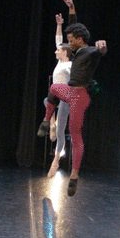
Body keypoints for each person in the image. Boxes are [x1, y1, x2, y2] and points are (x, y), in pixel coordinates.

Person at [37, 23, 107, 196]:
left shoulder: (89, 51)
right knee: (54, 88)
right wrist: (69, 12)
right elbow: (62, 39)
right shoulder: (76, 52)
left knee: (75, 134)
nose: (68, 44)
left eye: (71, 40)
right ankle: (46, 121)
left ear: (79, 39)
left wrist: (102, 47)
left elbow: (100, 51)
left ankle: (74, 176)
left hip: (79, 97)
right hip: (69, 91)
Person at [46, 13, 74, 178]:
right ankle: (52, 124)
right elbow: (58, 40)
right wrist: (59, 25)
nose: (56, 51)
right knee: (46, 100)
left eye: (58, 50)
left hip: (65, 98)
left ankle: (55, 160)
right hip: (56, 94)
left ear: (64, 52)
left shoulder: (69, 65)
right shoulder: (60, 61)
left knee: (61, 132)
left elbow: (76, 77)